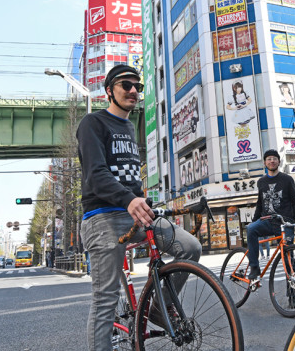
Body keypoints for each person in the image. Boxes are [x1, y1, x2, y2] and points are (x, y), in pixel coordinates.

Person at [77, 64, 202, 351]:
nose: (133, 91)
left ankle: (158, 309)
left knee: (190, 247)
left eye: (138, 87)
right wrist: (129, 199)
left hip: (138, 214)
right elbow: (96, 175)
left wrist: (140, 199)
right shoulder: (93, 123)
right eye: (126, 85)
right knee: (105, 299)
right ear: (110, 90)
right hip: (103, 217)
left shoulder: (130, 126)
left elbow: (130, 177)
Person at [246, 149, 295, 282]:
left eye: (274, 158)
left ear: (279, 161)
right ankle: (254, 267)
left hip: (285, 222)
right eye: (269, 159)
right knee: (251, 229)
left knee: (288, 258)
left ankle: (292, 293)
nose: (272, 161)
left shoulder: (287, 179)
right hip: (268, 221)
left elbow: (294, 201)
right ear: (265, 162)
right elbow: (260, 203)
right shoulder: (261, 182)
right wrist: (253, 222)